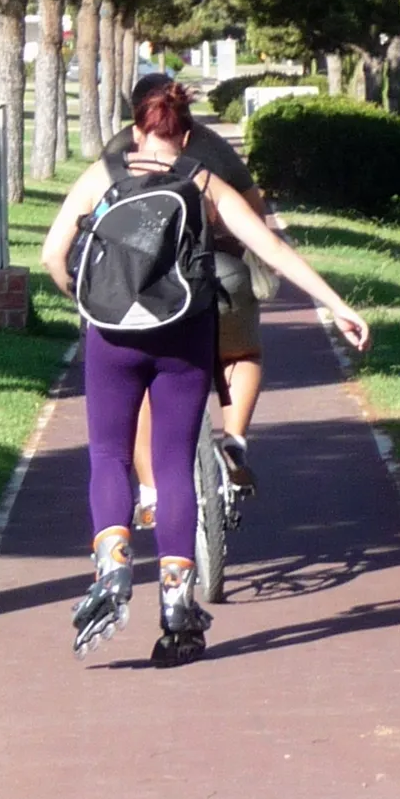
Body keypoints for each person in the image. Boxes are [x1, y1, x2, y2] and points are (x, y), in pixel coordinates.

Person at [41, 80, 369, 667]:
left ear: (137, 129)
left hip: (112, 336)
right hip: (183, 338)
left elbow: (52, 256)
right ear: (186, 132)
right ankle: (176, 605)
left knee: (109, 456)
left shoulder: (103, 176)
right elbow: (270, 248)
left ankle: (113, 564)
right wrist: (337, 304)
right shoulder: (203, 180)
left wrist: (88, 301)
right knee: (172, 467)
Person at [104, 71, 268, 517]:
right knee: (241, 354)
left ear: (137, 117)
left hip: (148, 293)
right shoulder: (210, 147)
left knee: (140, 385)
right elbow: (254, 209)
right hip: (219, 275)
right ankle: (233, 441)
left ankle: (153, 492)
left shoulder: (119, 152)